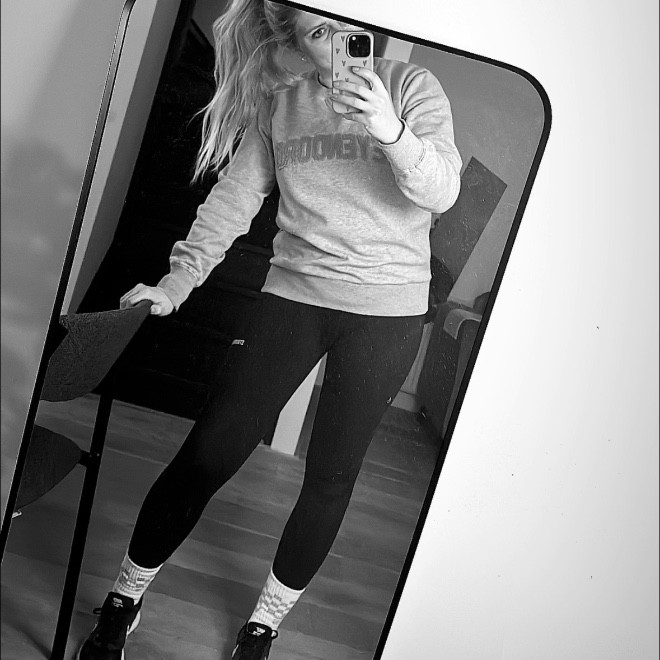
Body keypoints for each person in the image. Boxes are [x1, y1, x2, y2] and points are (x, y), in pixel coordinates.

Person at [78, 0, 461, 658]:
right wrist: (177, 281)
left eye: (347, 23)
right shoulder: (281, 102)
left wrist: (389, 128)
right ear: (297, 43)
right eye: (320, 31)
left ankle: (264, 626)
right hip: (294, 299)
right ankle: (124, 598)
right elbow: (234, 199)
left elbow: (443, 191)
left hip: (389, 314)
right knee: (208, 452)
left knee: (331, 476)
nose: (341, 39)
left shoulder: (411, 86)